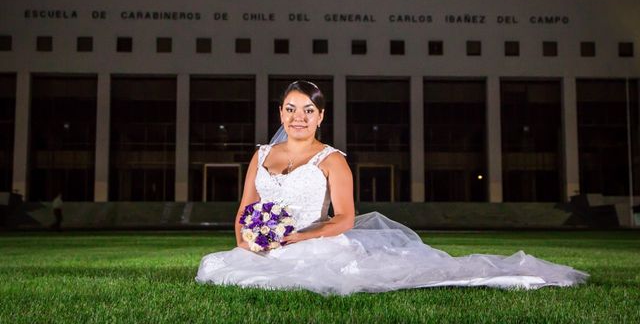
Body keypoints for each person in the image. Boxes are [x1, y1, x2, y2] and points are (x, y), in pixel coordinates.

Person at [196, 80, 588, 295]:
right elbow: (246, 207)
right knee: (227, 270)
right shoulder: (261, 154)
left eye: (308, 110)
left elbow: (346, 218)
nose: (299, 117)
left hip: (312, 242)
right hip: (262, 246)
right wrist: (246, 244)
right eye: (291, 109)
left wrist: (296, 237)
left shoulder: (331, 159)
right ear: (281, 112)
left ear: (320, 117)